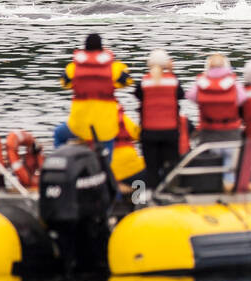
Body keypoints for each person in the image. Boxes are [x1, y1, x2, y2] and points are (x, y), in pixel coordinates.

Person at [54, 33, 132, 166]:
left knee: (59, 134)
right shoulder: (115, 68)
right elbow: (127, 81)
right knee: (107, 157)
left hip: (79, 126)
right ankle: (106, 175)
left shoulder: (73, 68)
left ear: (84, 49)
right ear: (102, 48)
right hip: (105, 127)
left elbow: (64, 82)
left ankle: (61, 164)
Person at [184, 53, 243, 188]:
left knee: (210, 169)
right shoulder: (233, 84)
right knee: (230, 171)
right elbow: (242, 99)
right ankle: (229, 191)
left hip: (209, 135)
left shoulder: (202, 83)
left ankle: (212, 191)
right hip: (231, 134)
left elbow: (190, 96)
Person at [133, 49, 184, 188]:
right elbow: (180, 95)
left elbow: (138, 95)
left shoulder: (144, 82)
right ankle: (170, 193)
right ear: (166, 64)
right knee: (170, 167)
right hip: (170, 132)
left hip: (149, 132)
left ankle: (151, 195)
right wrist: (171, 72)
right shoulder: (173, 81)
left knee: (151, 169)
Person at [110, 106, 145, 185]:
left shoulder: (84, 121)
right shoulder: (120, 117)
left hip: (106, 173)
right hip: (131, 171)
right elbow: (138, 134)